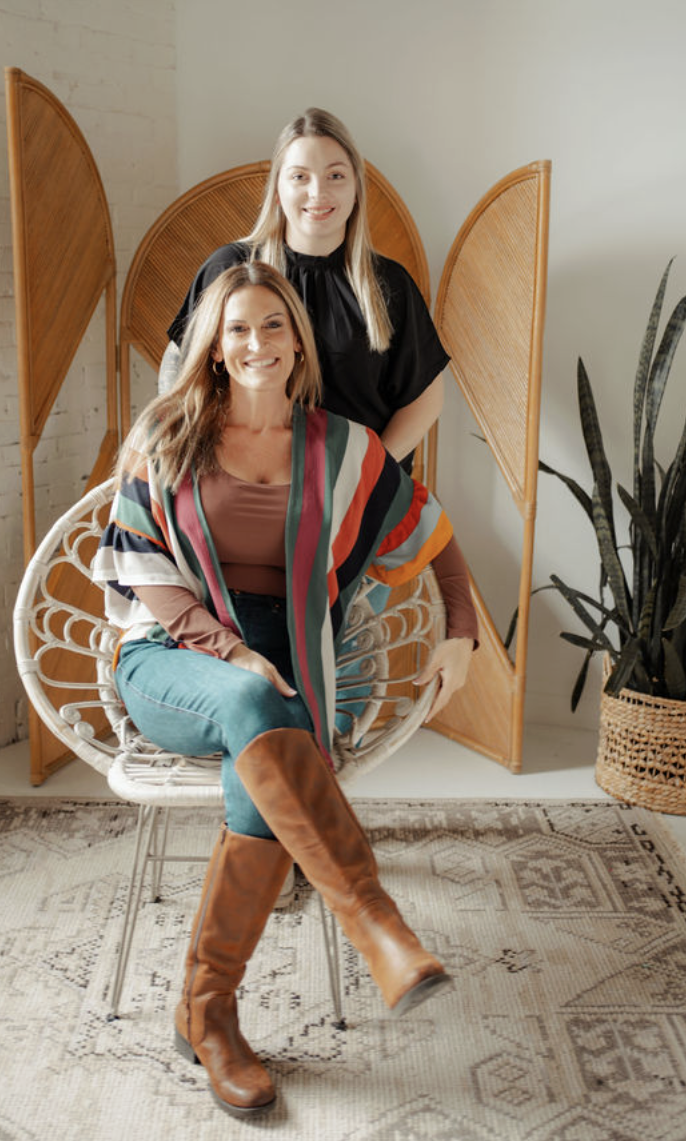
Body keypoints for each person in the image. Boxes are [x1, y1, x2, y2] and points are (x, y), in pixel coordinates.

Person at [94, 261, 478, 1119]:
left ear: (299, 343)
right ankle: (374, 921)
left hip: (293, 668)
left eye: (273, 325)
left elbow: (431, 532)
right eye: (237, 328)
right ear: (214, 347)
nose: (256, 342)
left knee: (266, 751)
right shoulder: (167, 432)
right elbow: (144, 571)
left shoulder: (343, 446)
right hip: (171, 656)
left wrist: (461, 630)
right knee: (253, 705)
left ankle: (206, 1015)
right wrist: (228, 650)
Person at [165, 107, 449, 474]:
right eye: (300, 176)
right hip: (249, 482)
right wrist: (192, 456)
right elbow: (178, 370)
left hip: (362, 489)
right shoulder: (230, 270)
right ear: (278, 190)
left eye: (335, 175)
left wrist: (369, 474)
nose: (318, 192)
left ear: (356, 189)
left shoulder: (389, 284)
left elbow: (425, 398)